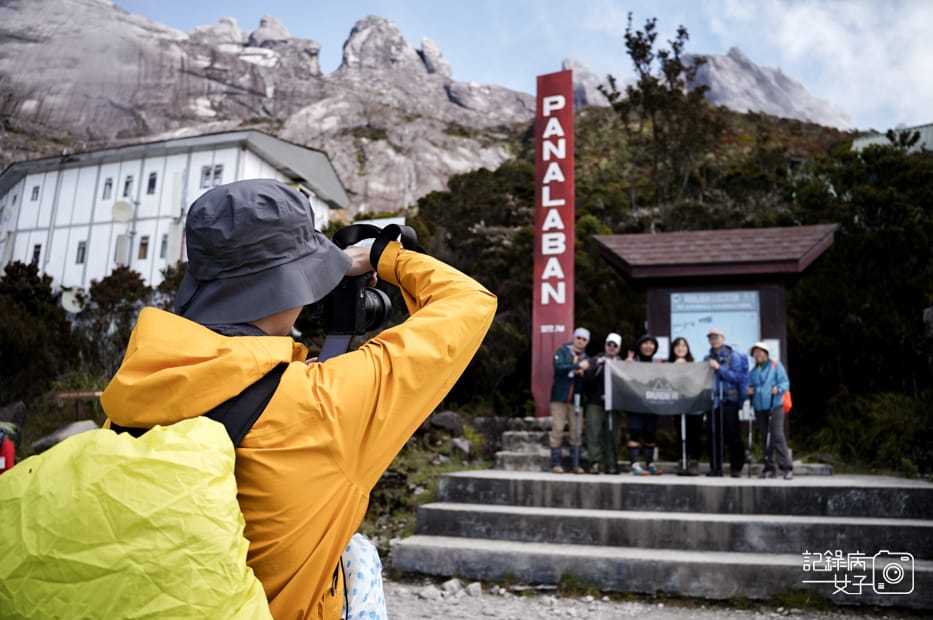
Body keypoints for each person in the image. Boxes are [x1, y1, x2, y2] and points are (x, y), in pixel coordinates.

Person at [99, 179, 497, 619]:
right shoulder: (321, 405)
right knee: (358, 556)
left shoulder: (131, 398)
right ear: (291, 285)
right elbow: (468, 301)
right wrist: (385, 257)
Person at [703, 327, 749, 477]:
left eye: (716, 337)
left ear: (722, 338)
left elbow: (737, 378)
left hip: (729, 400)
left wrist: (719, 368)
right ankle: (715, 468)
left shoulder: (733, 356)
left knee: (732, 434)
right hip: (713, 401)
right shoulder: (707, 358)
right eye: (711, 338)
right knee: (713, 434)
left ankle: (736, 467)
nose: (713, 340)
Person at [747, 342, 794, 480]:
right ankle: (769, 468)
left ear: (766, 353)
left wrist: (778, 389)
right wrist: (749, 392)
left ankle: (786, 468)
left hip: (775, 405)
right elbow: (751, 388)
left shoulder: (775, 365)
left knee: (777, 435)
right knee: (765, 438)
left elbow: (785, 383)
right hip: (759, 408)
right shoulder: (754, 372)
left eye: (761, 352)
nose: (758, 355)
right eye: (755, 353)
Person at [549, 327, 590, 474]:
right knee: (557, 429)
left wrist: (584, 373)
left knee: (576, 432)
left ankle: (575, 464)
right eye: (578, 338)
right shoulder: (562, 352)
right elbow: (559, 367)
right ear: (574, 338)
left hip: (576, 398)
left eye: (584, 339)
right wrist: (576, 366)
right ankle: (555, 463)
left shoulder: (586, 358)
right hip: (559, 397)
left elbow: (589, 379)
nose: (580, 341)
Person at [582, 332, 624, 474]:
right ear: (605, 345)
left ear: (619, 348)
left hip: (614, 404)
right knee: (593, 432)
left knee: (612, 435)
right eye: (609, 344)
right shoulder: (595, 360)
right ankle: (594, 462)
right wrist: (598, 366)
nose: (611, 348)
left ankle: (611, 464)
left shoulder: (622, 363)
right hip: (595, 402)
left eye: (615, 345)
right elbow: (587, 380)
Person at [624, 334, 663, 475]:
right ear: (639, 346)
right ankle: (634, 464)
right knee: (634, 432)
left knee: (650, 434)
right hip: (635, 404)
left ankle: (649, 463)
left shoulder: (657, 363)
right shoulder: (632, 361)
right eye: (645, 343)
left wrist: (661, 371)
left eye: (651, 344)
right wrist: (626, 366)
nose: (648, 346)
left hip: (651, 404)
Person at [669, 337, 702, 476]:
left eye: (683, 345)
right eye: (677, 345)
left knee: (694, 433)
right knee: (680, 433)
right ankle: (682, 460)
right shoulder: (668, 365)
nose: (680, 348)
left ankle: (694, 462)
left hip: (694, 405)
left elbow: (698, 382)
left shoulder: (694, 365)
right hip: (677, 405)